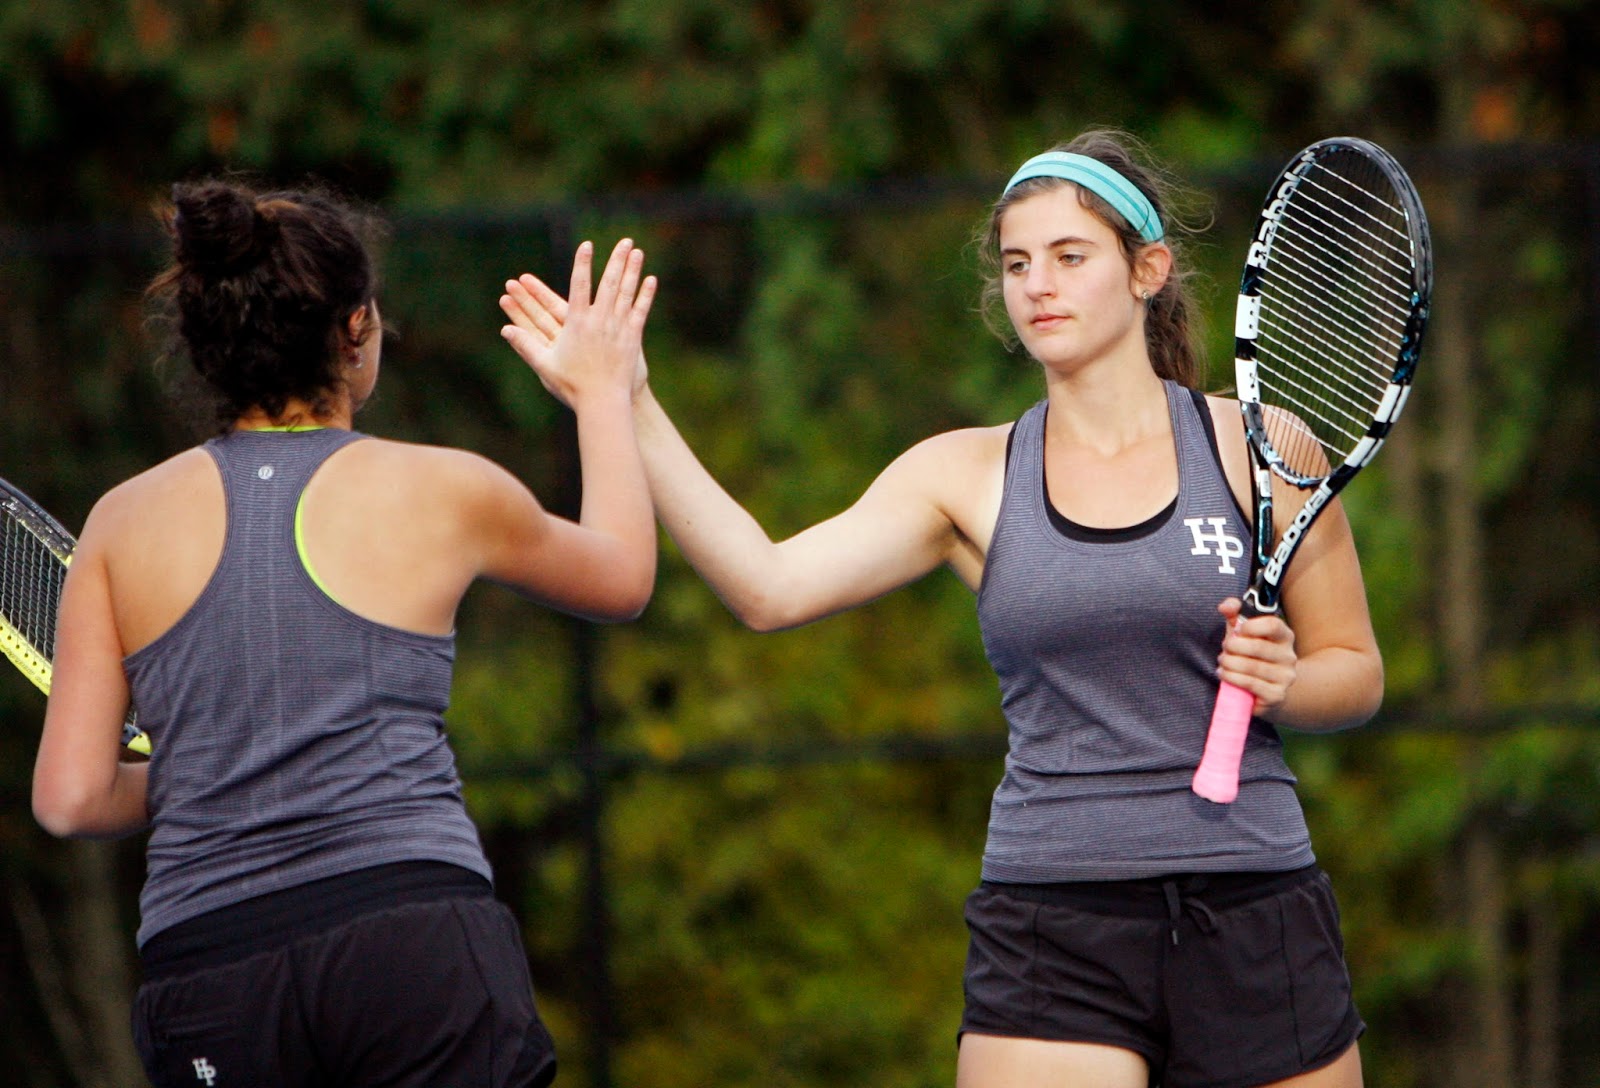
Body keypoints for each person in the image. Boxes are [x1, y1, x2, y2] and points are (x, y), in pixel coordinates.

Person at [500, 129, 1380, 1088]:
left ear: (1148, 270)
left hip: (1256, 908)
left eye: (1070, 257)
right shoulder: (965, 473)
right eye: (1016, 262)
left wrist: (1287, 685)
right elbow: (766, 586)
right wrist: (628, 398)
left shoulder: (1261, 446)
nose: (1037, 283)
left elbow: (1356, 669)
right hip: (1055, 922)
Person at [31, 178, 658, 1087]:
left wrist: (221, 761)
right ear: (355, 328)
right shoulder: (443, 487)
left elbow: (71, 799)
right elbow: (623, 576)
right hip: (411, 944)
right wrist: (601, 394)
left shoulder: (119, 524)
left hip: (209, 974)